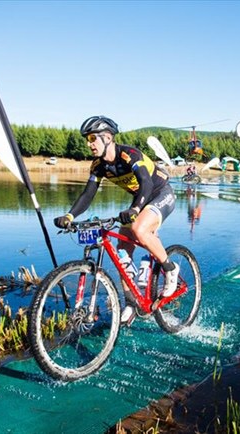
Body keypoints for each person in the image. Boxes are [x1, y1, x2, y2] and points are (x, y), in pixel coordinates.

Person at [53, 116, 179, 325]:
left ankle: (170, 268)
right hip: (140, 199)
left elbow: (146, 183)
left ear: (108, 137)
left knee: (139, 229)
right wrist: (69, 216)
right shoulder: (98, 166)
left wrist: (135, 209)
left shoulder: (129, 155)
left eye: (92, 138)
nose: (89, 144)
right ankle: (131, 301)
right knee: (122, 251)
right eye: (87, 139)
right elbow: (88, 194)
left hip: (160, 193)